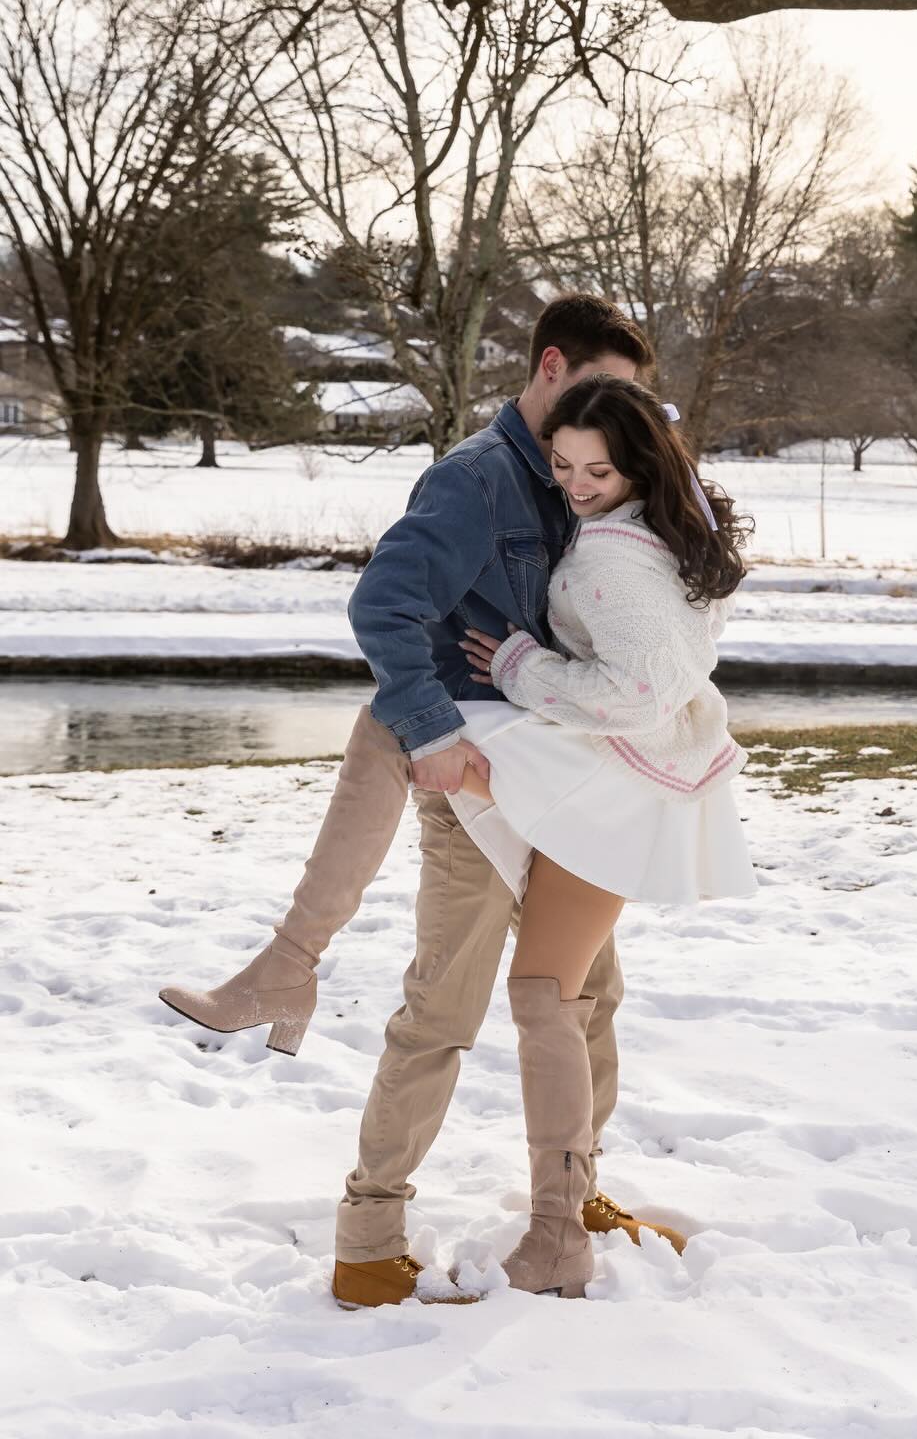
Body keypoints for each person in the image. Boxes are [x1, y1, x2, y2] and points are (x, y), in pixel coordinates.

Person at [157, 294, 680, 1306]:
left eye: (632, 401)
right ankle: (371, 1232)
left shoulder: (588, 479)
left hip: (568, 780)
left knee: (588, 999)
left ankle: (574, 1202)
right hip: (475, 786)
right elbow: (384, 606)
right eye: (603, 388)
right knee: (443, 1010)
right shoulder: (479, 479)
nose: (616, 412)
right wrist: (432, 733)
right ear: (550, 366)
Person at [430, 373, 756, 1300]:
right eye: (564, 466)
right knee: (557, 996)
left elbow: (642, 692)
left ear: (638, 464)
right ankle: (565, 1219)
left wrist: (528, 667)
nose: (575, 484)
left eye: (597, 470)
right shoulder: (665, 530)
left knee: (542, 997)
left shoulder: (611, 561)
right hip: (631, 779)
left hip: (616, 785)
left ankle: (559, 1235)